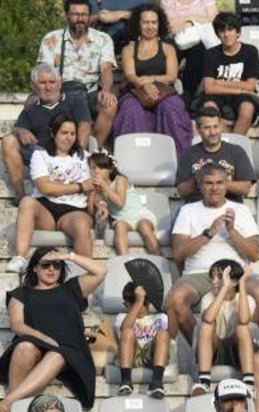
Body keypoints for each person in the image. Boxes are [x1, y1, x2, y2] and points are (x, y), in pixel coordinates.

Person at [166, 163, 259, 348]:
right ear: (199, 184)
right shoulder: (188, 210)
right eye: (209, 183)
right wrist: (209, 233)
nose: (215, 188)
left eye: (220, 182)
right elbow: (179, 254)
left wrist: (232, 231)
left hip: (236, 272)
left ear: (227, 183)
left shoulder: (241, 210)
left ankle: (248, 345)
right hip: (199, 273)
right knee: (175, 300)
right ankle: (206, 348)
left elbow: (253, 254)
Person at [0, 249, 105, 412]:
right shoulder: (21, 294)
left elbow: (101, 271)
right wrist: (44, 338)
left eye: (57, 265)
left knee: (58, 354)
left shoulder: (72, 288)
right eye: (45, 265)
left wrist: (68, 256)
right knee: (24, 346)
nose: (51, 269)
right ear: (35, 268)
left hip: (69, 350)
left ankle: (9, 402)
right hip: (35, 344)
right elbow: (17, 325)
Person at [10, 114, 95, 271]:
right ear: (52, 133)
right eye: (64, 133)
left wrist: (100, 202)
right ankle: (20, 258)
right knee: (27, 202)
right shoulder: (40, 155)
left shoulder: (85, 157)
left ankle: (84, 273)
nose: (69, 138)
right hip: (46, 209)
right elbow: (46, 188)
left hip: (74, 210)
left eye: (72, 133)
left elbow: (99, 182)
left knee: (82, 224)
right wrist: (80, 186)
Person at [37, 0, 117, 150]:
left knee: (109, 105)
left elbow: (106, 70)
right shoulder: (51, 39)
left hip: (90, 92)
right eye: (75, 14)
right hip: (61, 92)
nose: (80, 18)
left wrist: (106, 90)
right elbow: (44, 72)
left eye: (84, 14)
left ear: (89, 16)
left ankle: (91, 152)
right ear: (67, 15)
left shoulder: (103, 39)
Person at [111, 4, 191, 145]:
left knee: (171, 108)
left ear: (159, 24)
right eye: (145, 22)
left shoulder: (168, 48)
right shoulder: (129, 49)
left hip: (165, 92)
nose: (150, 27)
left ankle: (178, 159)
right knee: (131, 109)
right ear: (138, 24)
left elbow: (171, 76)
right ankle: (134, 160)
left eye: (154, 22)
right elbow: (130, 75)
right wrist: (144, 84)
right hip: (135, 91)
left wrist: (151, 80)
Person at [3, 67, 86, 198]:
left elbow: (85, 124)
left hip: (68, 152)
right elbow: (16, 128)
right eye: (43, 83)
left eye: (52, 82)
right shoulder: (31, 109)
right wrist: (22, 131)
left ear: (60, 83)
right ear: (34, 86)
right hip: (40, 154)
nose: (48, 87)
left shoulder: (74, 101)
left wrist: (78, 149)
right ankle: (20, 196)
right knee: (8, 140)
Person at [192, 259, 257, 395]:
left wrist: (242, 283)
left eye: (220, 277)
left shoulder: (247, 299)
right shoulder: (208, 298)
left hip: (237, 348)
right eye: (212, 277)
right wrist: (223, 290)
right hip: (215, 349)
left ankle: (249, 383)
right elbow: (208, 318)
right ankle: (204, 381)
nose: (214, 281)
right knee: (206, 326)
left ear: (233, 281)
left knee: (242, 328)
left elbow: (244, 320)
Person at [194, 12, 259, 134]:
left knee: (247, 108)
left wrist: (219, 82)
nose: (226, 35)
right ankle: (224, 144)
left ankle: (235, 145)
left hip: (242, 97)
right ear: (217, 34)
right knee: (209, 108)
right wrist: (239, 89)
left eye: (230, 30)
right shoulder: (210, 54)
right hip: (217, 96)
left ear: (238, 33)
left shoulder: (250, 51)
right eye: (222, 31)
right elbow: (209, 88)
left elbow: (250, 86)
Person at [175, 106, 256, 203]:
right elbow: (181, 191)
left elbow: (245, 189)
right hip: (197, 207)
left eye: (215, 127)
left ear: (221, 126)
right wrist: (197, 179)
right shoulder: (188, 153)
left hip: (230, 206)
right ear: (198, 129)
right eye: (207, 128)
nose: (212, 132)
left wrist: (218, 181)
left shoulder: (237, 152)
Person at [89, 151, 158, 257]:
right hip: (122, 219)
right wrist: (97, 200)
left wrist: (105, 187)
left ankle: (159, 260)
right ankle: (125, 262)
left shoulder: (120, 180)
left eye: (101, 168)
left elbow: (120, 203)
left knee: (144, 226)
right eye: (93, 168)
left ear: (110, 169)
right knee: (120, 226)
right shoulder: (98, 188)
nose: (96, 171)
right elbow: (94, 207)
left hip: (139, 215)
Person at [113, 280, 169, 398]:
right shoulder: (122, 318)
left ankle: (157, 382)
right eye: (133, 304)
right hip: (132, 355)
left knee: (163, 334)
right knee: (128, 332)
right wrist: (139, 301)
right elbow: (125, 329)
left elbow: (170, 337)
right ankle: (126, 381)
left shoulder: (160, 317)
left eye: (144, 303)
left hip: (152, 355)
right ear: (126, 305)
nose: (140, 308)